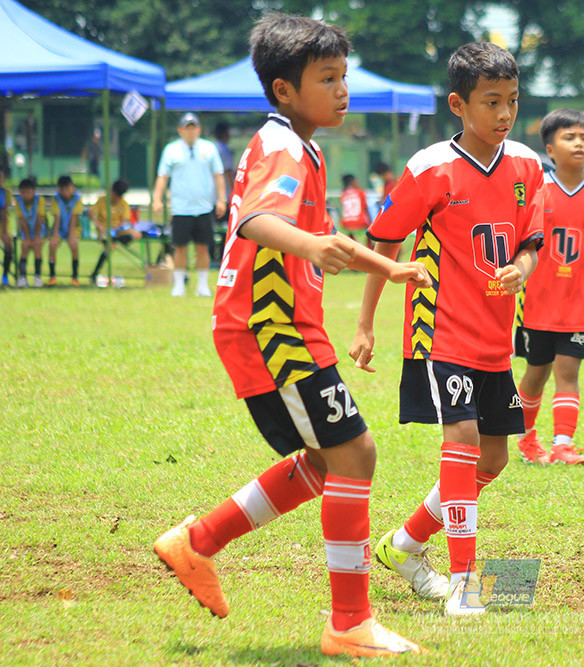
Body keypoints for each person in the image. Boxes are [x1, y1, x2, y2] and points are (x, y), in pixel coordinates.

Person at [152, 13, 428, 658]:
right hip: (269, 328)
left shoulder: (299, 146)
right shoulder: (282, 147)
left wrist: (386, 266)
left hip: (275, 325)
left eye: (343, 77)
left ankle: (197, 542)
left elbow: (317, 236)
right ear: (284, 90)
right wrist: (313, 246)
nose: (342, 90)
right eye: (326, 79)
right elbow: (253, 219)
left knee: (326, 460)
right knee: (354, 456)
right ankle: (349, 624)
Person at [349, 41, 544, 616]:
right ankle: (464, 585)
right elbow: (383, 244)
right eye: (491, 102)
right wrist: (365, 323)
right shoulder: (430, 168)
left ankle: (404, 547)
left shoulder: (528, 166)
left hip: (493, 339)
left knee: (493, 461)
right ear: (459, 104)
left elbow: (530, 242)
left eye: (512, 100)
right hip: (439, 334)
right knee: (459, 446)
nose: (504, 113)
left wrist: (523, 269)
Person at [513, 108, 584, 465]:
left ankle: (563, 444)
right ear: (550, 148)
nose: (579, 144)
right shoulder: (537, 191)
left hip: (579, 304)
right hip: (536, 302)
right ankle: (526, 438)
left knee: (568, 371)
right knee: (536, 372)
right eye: (569, 137)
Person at [152, 112, 226, 297]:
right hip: (181, 208)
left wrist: (221, 199)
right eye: (187, 128)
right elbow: (162, 177)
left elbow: (218, 175)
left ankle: (202, 286)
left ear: (199, 130)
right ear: (180, 130)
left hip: (204, 207)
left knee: (203, 247)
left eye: (194, 128)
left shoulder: (209, 149)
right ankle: (179, 286)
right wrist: (157, 199)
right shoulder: (171, 150)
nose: (191, 132)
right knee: (180, 247)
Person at [89, 179, 140, 283]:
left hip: (117, 231)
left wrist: (118, 227)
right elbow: (91, 213)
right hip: (104, 230)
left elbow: (125, 220)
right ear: (111, 191)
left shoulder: (123, 204)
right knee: (110, 246)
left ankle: (116, 239)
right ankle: (94, 274)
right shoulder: (102, 201)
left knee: (137, 234)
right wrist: (98, 225)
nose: (116, 199)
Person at [47, 175, 84, 286]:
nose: (65, 192)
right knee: (52, 246)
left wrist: (71, 235)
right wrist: (54, 236)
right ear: (58, 189)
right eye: (62, 190)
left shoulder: (77, 199)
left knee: (74, 245)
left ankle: (75, 277)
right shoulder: (56, 199)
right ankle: (52, 276)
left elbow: (74, 217)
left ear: (72, 187)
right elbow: (57, 217)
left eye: (67, 189)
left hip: (74, 228)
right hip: (59, 228)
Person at [14, 177, 49, 288]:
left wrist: (37, 237)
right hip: (26, 231)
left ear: (33, 191)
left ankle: (37, 277)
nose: (25, 195)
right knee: (24, 247)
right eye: (23, 192)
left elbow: (40, 218)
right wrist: (28, 238)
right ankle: (22, 278)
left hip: (39, 230)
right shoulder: (18, 202)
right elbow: (22, 221)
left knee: (37, 248)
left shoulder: (40, 200)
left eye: (28, 192)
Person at [338, 174, 370, 245]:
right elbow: (365, 208)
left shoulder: (343, 194)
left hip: (346, 224)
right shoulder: (360, 192)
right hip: (360, 223)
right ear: (353, 182)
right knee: (370, 234)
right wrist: (370, 222)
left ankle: (354, 244)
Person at [0, 167, 12, 287]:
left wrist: (4, 232)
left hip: (2, 224)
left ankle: (5, 276)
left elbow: (5, 213)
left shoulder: (6, 192)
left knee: (8, 243)